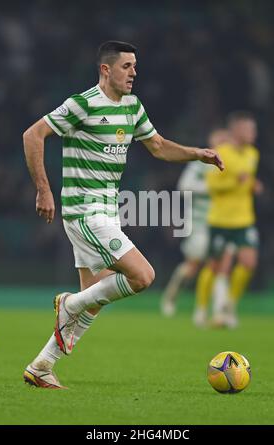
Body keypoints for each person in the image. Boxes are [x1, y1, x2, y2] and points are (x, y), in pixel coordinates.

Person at [22, 40, 223, 389]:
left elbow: (158, 146)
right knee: (143, 276)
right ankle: (68, 305)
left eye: (135, 66)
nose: (134, 72)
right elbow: (33, 135)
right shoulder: (82, 104)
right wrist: (43, 188)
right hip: (84, 211)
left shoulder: (132, 107)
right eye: (127, 66)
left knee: (95, 299)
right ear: (106, 69)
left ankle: (42, 365)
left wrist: (196, 154)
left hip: (107, 212)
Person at [195, 111, 261, 328]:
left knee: (248, 262)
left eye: (253, 129)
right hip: (220, 220)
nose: (253, 133)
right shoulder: (220, 153)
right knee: (214, 267)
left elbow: (246, 181)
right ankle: (201, 309)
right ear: (236, 130)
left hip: (244, 219)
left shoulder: (253, 154)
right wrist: (236, 182)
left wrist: (252, 185)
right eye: (249, 129)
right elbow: (212, 186)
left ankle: (229, 305)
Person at [161, 128, 230, 318]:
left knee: (220, 265)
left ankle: (217, 311)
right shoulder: (202, 164)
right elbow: (184, 186)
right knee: (193, 265)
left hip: (225, 222)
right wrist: (211, 188)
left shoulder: (231, 163)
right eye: (219, 138)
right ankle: (170, 297)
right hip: (200, 222)